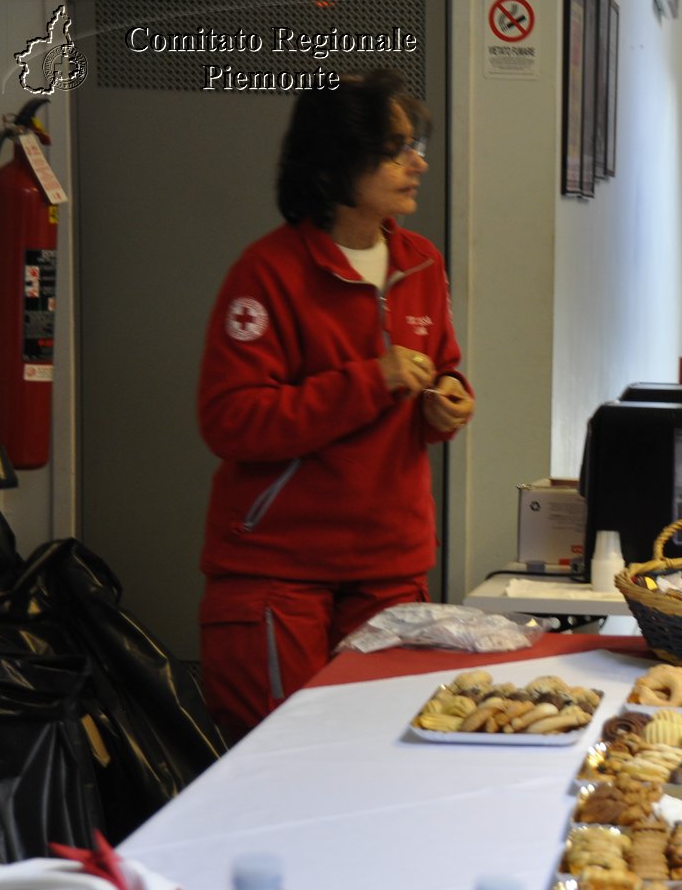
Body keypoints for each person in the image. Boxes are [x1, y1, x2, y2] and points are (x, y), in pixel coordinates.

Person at [196, 70, 474, 743]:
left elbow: (445, 369)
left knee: (381, 754)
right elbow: (231, 419)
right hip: (278, 571)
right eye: (393, 150)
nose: (418, 163)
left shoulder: (421, 263)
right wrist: (368, 381)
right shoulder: (267, 273)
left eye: (415, 145)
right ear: (334, 164)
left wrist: (449, 405)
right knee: (281, 760)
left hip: (390, 561)